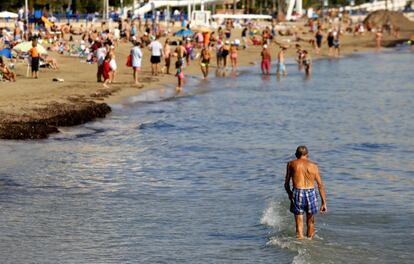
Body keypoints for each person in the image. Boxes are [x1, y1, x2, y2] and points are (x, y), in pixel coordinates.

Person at [284, 146, 327, 240]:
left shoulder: (291, 164)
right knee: (310, 221)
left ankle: (299, 241)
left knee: (299, 222)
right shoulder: (314, 166)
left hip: (298, 192)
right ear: (307, 155)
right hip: (311, 192)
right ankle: (309, 241)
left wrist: (290, 193)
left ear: (296, 154)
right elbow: (320, 185)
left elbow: (286, 184)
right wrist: (324, 203)